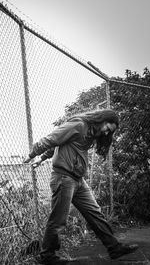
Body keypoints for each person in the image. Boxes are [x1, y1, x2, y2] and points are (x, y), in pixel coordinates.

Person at [23, 109, 138, 265]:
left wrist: (44, 157)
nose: (106, 133)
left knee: (95, 213)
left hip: (77, 180)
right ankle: (47, 256)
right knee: (58, 219)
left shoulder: (90, 133)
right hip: (64, 178)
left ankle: (114, 247)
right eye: (107, 128)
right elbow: (53, 139)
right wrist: (33, 156)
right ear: (101, 120)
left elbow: (60, 143)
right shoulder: (79, 125)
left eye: (109, 132)